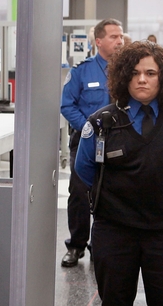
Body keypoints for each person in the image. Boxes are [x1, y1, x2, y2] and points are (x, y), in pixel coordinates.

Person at [75, 40, 163, 305]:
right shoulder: (102, 123)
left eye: (150, 73)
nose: (142, 80)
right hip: (115, 232)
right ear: (124, 77)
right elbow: (85, 169)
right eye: (135, 73)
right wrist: (120, 198)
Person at [59, 18, 124, 267]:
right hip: (87, 142)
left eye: (121, 36)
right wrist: (89, 128)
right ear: (98, 41)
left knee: (114, 191)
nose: (119, 41)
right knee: (79, 191)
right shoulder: (82, 71)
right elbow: (67, 105)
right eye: (113, 36)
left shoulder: (129, 71)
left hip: (120, 142)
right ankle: (76, 245)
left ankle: (104, 244)